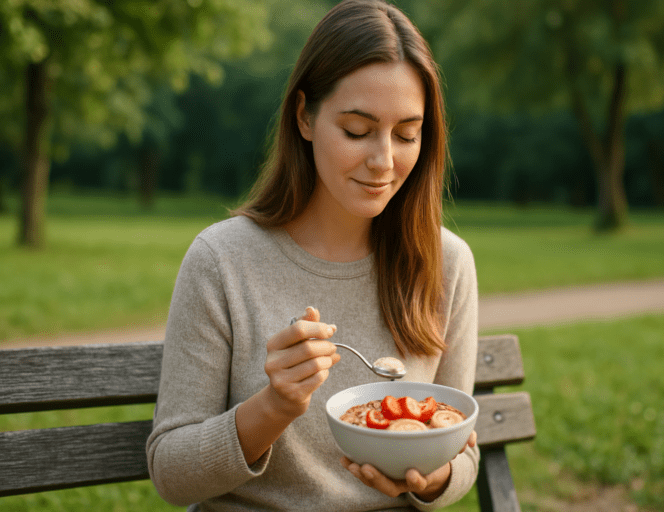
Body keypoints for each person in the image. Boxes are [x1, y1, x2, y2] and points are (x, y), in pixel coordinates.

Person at [146, 0, 480, 510]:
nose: (383, 161)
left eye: (407, 134)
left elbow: (461, 447)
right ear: (305, 116)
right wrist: (273, 407)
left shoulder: (446, 263)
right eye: (357, 130)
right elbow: (171, 473)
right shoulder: (222, 260)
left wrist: (429, 480)